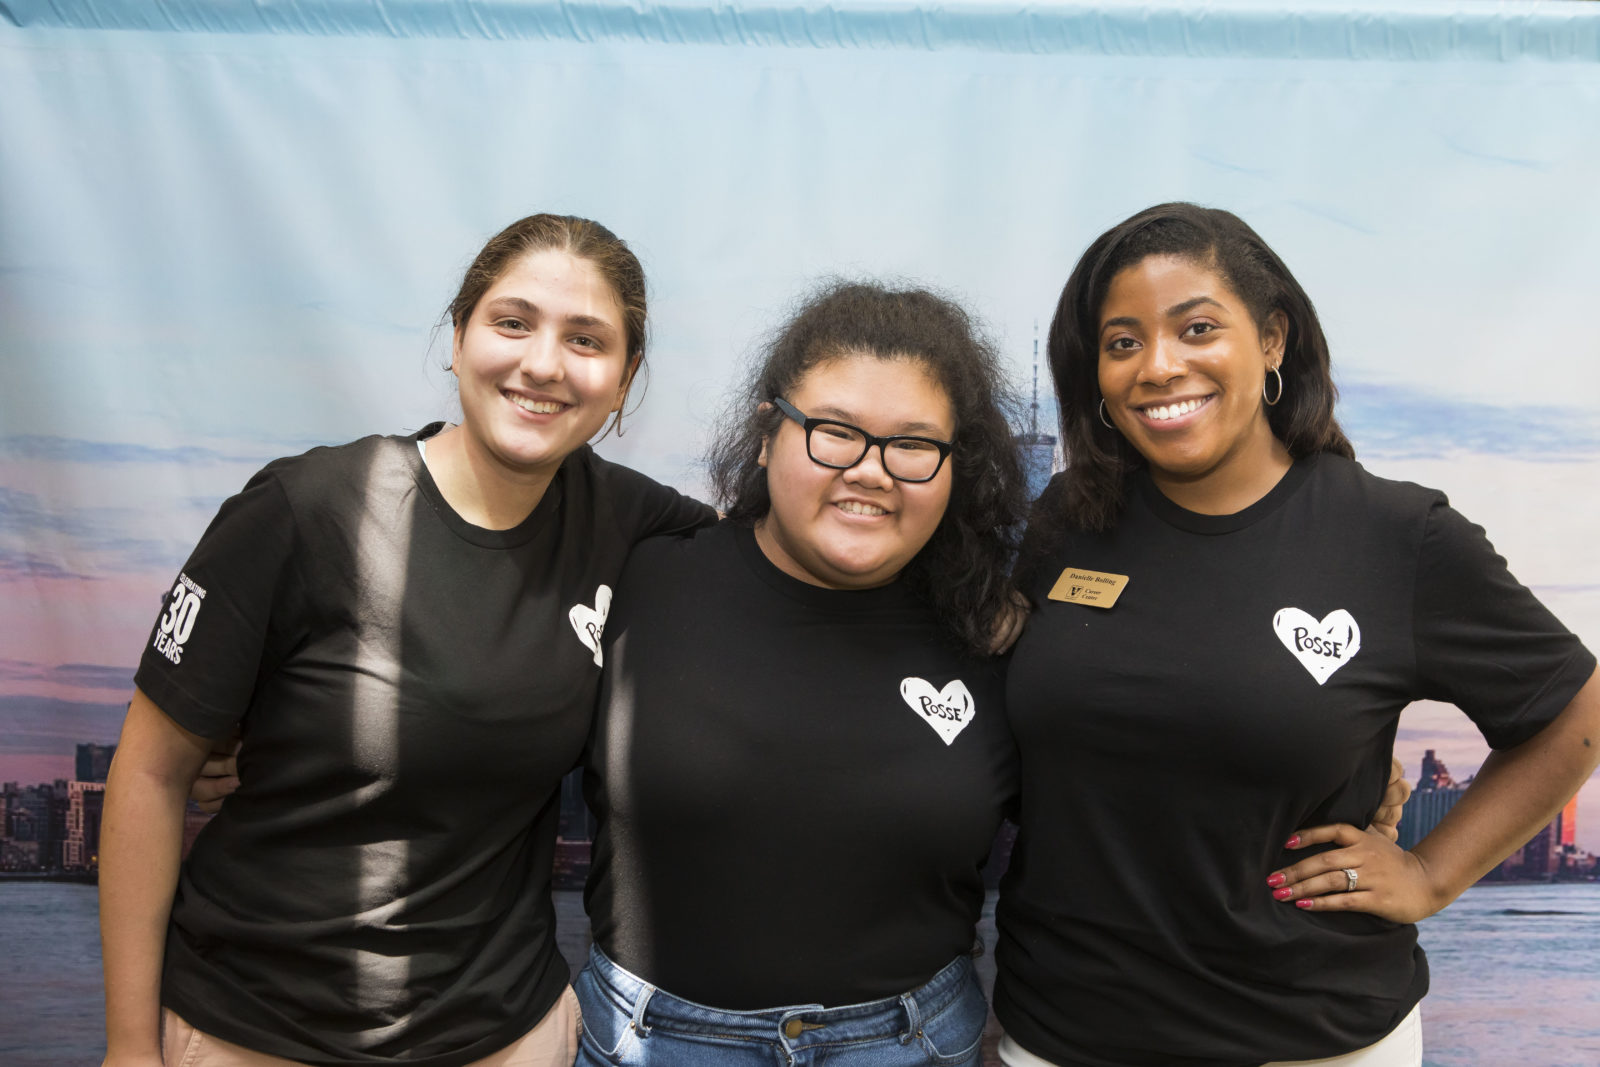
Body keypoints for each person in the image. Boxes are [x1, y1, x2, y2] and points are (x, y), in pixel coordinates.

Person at [99, 214, 716, 1067]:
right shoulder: (306, 508)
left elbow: (792, 551)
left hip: (504, 1036)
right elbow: (149, 772)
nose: (544, 363)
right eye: (513, 322)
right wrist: (129, 1045)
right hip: (257, 1033)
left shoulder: (633, 522)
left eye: (585, 339)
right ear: (457, 339)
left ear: (625, 380)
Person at [995, 203, 1600, 1067]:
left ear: (1273, 338)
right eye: (1122, 341)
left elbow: (1577, 711)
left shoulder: (1396, 534)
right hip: (1061, 1034)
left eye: (1197, 328)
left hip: (1313, 1041)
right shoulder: (1065, 521)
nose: (1158, 366)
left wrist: (1431, 873)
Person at [573, 282, 1029, 1067]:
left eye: (913, 444)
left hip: (909, 1047)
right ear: (766, 435)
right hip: (652, 1043)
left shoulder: (993, 630)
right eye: (834, 432)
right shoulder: (641, 578)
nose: (872, 470)